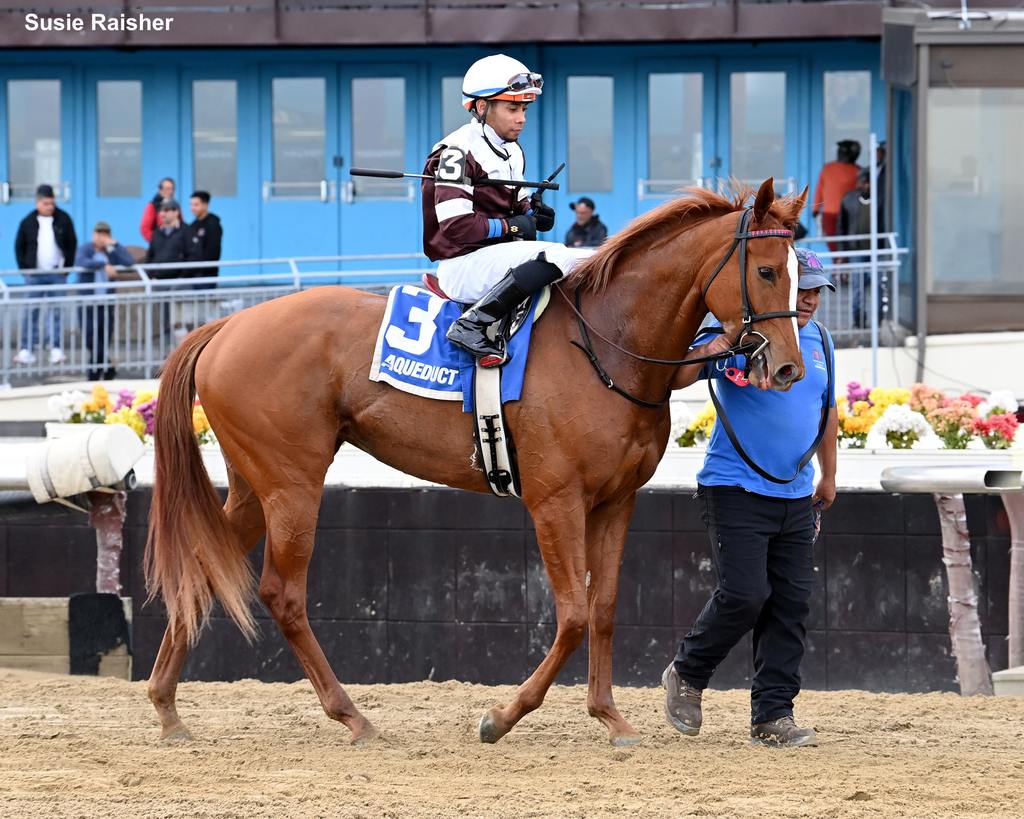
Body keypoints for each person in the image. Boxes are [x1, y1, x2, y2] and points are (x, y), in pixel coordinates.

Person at [663, 247, 839, 748]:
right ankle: (688, 673)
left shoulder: (822, 341)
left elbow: (827, 413)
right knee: (745, 594)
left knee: (791, 604)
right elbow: (677, 377)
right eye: (800, 288)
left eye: (815, 292)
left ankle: (772, 715)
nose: (807, 300)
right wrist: (723, 341)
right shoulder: (744, 336)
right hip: (734, 487)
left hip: (797, 495)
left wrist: (829, 475)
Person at [422, 54, 593, 367]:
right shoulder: (455, 153)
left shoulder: (511, 149)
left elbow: (518, 207)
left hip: (495, 260)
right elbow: (456, 226)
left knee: (588, 258)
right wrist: (511, 227)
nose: (521, 118)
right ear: (481, 107)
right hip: (462, 265)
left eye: (524, 109)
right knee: (556, 255)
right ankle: (470, 324)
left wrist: (533, 213)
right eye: (512, 108)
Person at [13, 184, 77, 365]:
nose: (49, 207)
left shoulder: (63, 219)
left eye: (52, 203)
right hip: (34, 275)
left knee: (56, 311)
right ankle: (26, 348)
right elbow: (19, 247)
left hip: (57, 274)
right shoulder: (27, 222)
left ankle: (55, 347)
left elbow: (72, 244)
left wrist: (66, 269)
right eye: (45, 203)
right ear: (37, 203)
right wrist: (25, 269)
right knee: (30, 311)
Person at [74, 221, 134, 381]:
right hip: (88, 301)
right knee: (90, 338)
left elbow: (129, 261)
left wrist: (116, 245)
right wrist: (103, 264)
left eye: (105, 234)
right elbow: (81, 262)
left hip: (106, 302)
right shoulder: (86, 248)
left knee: (103, 337)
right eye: (99, 234)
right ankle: (106, 367)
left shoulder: (111, 250)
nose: (101, 237)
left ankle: (94, 374)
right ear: (94, 235)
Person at [146, 199, 190, 343]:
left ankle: (182, 352)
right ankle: (167, 354)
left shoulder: (186, 231)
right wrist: (150, 276)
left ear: (176, 212)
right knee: (164, 320)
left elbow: (192, 256)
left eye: (166, 210)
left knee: (179, 320)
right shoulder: (157, 233)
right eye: (161, 211)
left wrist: (182, 278)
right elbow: (150, 256)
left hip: (178, 284)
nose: (162, 214)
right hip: (160, 283)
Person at [812, 140, 860, 251]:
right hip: (829, 214)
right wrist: (816, 209)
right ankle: (838, 266)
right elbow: (820, 190)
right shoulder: (827, 168)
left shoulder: (858, 171)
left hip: (850, 214)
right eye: (839, 151)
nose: (840, 153)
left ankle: (843, 266)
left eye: (843, 151)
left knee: (848, 245)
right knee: (833, 245)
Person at [186, 190, 223, 278]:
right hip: (192, 274)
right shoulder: (193, 225)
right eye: (191, 204)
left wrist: (199, 267)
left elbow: (212, 252)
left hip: (206, 274)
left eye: (196, 205)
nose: (192, 208)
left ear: (205, 205)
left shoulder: (213, 224)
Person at [140, 177, 176, 243]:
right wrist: (158, 242)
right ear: (160, 190)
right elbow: (145, 229)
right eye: (167, 189)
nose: (170, 192)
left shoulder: (175, 205)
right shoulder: (152, 206)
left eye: (172, 189)